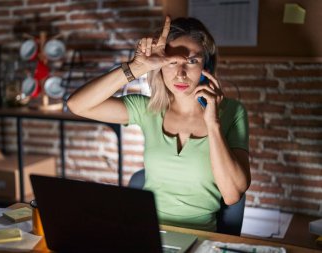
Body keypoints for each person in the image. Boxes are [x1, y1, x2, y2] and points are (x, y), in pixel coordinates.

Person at [67, 16, 250, 232]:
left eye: (192, 61)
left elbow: (231, 195)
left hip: (199, 238)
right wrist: (135, 68)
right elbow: (77, 105)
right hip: (146, 232)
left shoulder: (232, 112)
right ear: (160, 67)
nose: (181, 73)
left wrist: (213, 123)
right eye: (172, 61)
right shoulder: (148, 109)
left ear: (206, 66)